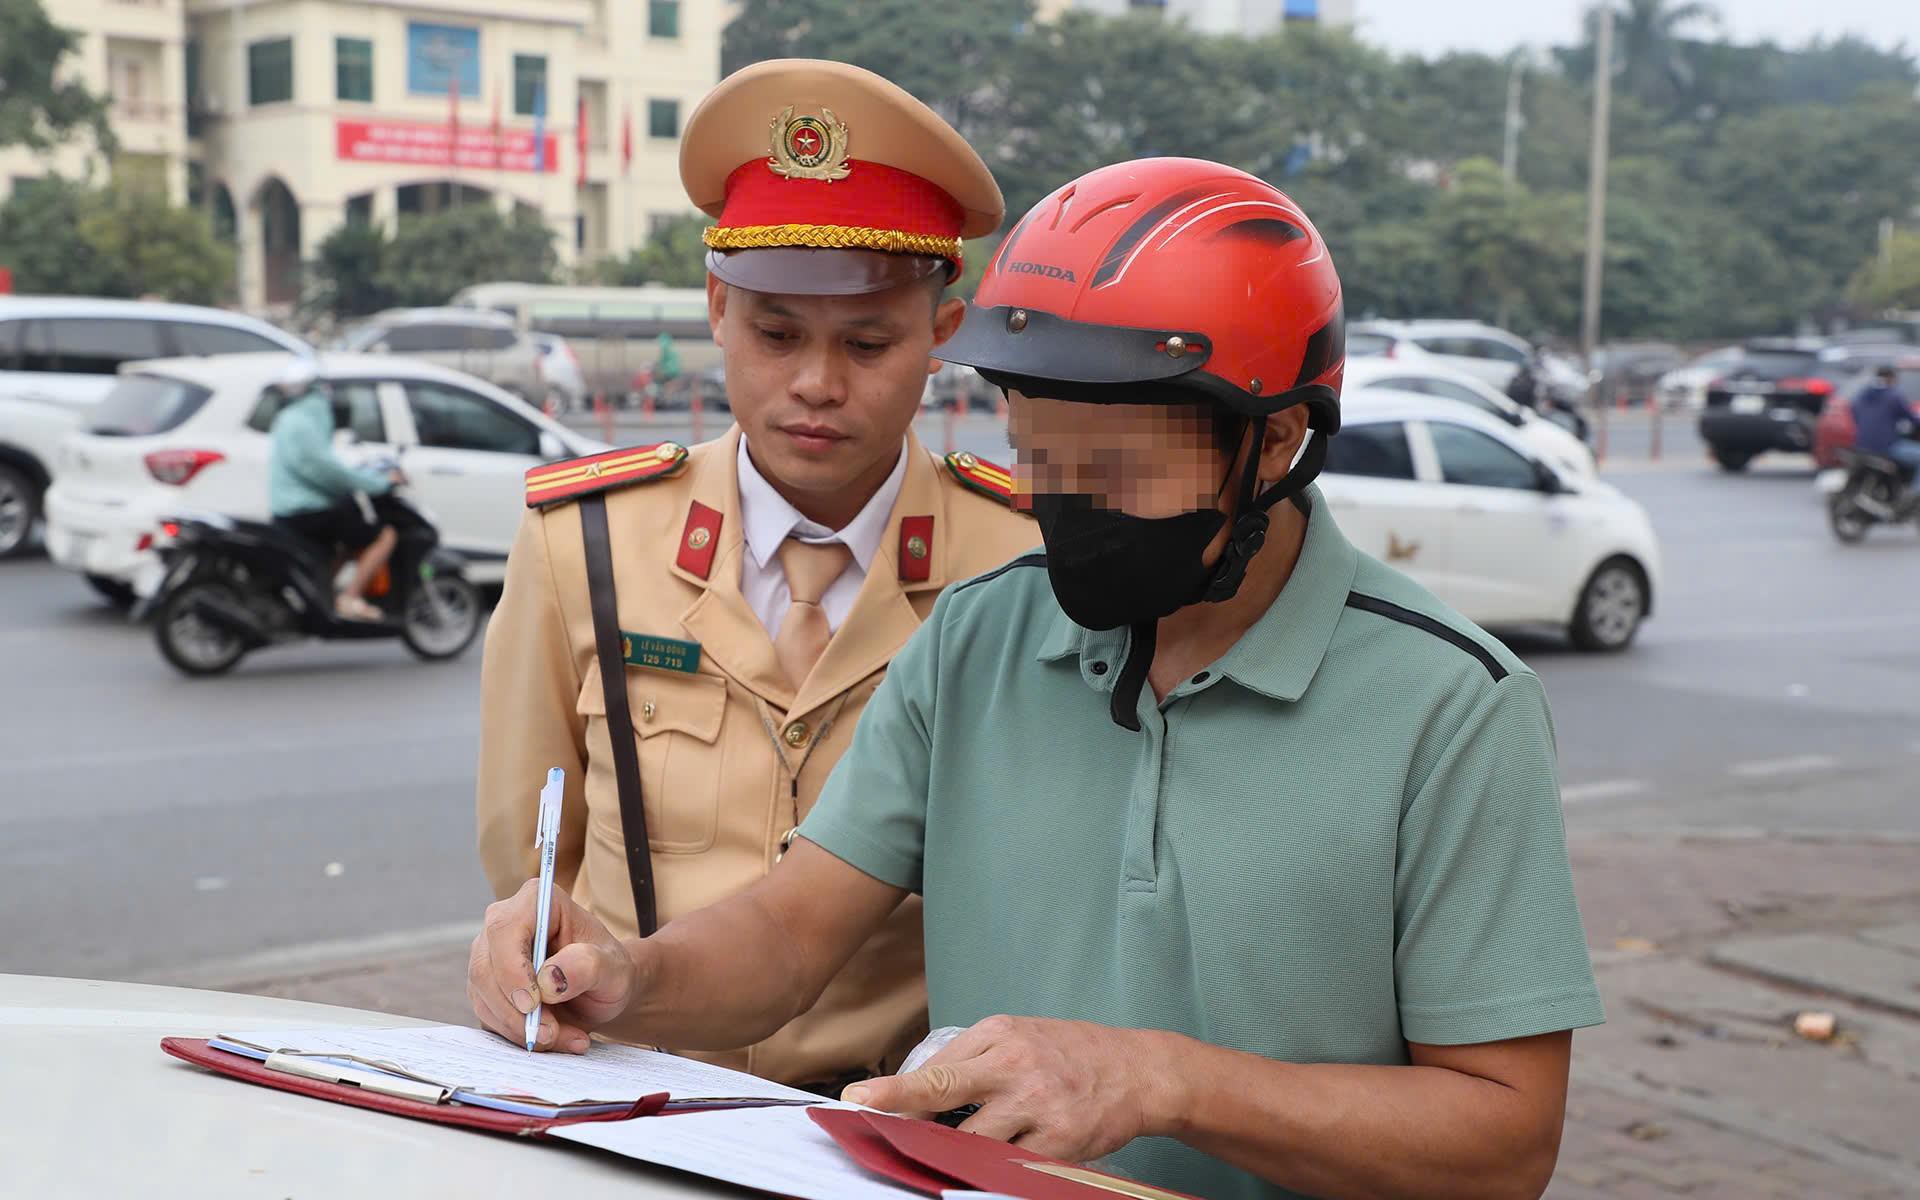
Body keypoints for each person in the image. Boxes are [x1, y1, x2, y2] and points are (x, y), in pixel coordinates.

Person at [471, 157, 1605, 1200]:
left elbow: (1506, 1139)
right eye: (1043, 454)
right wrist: (624, 972)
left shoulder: (1453, 708)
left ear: (1275, 442)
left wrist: (1164, 1083)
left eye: (1117, 468)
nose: (1069, 508)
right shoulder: (980, 641)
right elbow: (788, 936)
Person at [473, 60, 1038, 1095]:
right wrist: (524, 946)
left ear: (943, 336)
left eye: (869, 342)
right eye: (777, 334)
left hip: (894, 1119)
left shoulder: (1020, 564)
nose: (817, 385)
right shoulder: (586, 543)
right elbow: (531, 852)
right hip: (628, 1095)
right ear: (716, 308)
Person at [266, 357, 399, 622]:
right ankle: (350, 597)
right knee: (383, 536)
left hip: (289, 507)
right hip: (305, 508)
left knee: (342, 545)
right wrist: (376, 483)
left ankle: (320, 596)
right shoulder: (308, 416)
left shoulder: (289, 416)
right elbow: (322, 467)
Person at [1850, 365, 1920, 477]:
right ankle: (1915, 493)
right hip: (1885, 446)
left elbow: (1854, 412)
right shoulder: (1894, 395)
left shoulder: (1863, 393)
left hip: (1861, 443)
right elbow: (1911, 417)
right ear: (1891, 378)